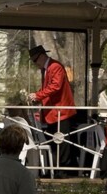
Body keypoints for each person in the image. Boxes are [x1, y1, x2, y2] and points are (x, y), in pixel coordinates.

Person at [28, 45, 77, 176]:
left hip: (61, 111)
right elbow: (48, 88)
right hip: (53, 112)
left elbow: (56, 86)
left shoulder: (55, 67)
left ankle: (64, 171)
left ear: (42, 56)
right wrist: (38, 96)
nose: (35, 64)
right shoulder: (46, 69)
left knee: (62, 141)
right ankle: (56, 169)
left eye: (35, 60)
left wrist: (38, 95)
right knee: (55, 141)